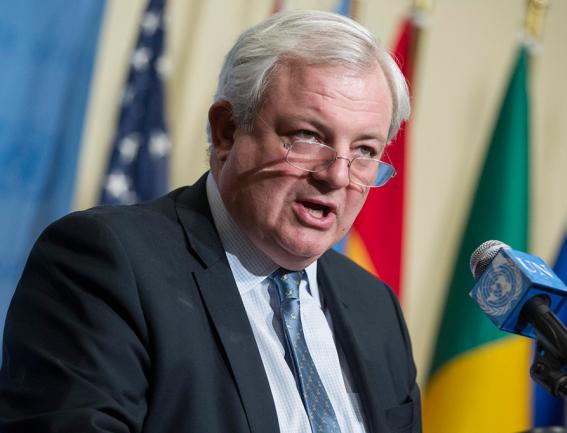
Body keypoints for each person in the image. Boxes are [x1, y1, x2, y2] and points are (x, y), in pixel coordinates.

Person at [0, 10, 420, 433]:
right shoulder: (107, 265)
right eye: (308, 136)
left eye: (365, 151)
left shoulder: (375, 308)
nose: (338, 176)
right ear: (227, 131)